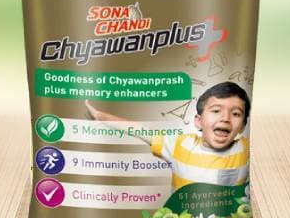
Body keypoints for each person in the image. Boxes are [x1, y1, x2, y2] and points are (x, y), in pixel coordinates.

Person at [85, 81, 251, 190]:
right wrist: (100, 116)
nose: (225, 118)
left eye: (236, 114)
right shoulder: (180, 145)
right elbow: (138, 129)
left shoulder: (245, 148)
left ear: (243, 126)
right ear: (198, 121)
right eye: (216, 111)